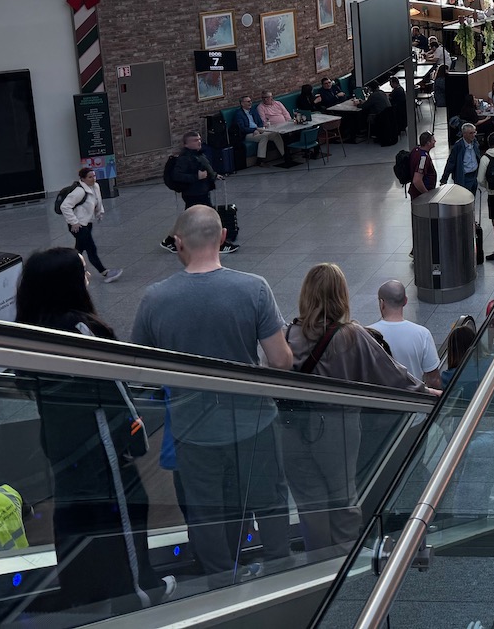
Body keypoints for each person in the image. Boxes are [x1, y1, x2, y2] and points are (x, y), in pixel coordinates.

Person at [131, 207, 293, 587]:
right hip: (254, 422)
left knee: (207, 513)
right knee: (268, 501)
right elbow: (281, 361)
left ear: (178, 243)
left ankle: (222, 586)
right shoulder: (254, 288)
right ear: (222, 237)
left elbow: (138, 373)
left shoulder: (155, 299)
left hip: (192, 430)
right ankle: (281, 577)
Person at [17, 247, 170, 604]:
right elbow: (115, 386)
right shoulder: (80, 328)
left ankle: (83, 593)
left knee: (76, 517)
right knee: (126, 511)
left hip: (60, 446)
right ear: (66, 284)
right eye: (81, 271)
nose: (87, 277)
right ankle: (140, 591)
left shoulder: (31, 330)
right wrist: (135, 436)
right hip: (101, 447)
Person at [280, 264, 427, 554]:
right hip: (337, 429)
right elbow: (394, 377)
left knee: (309, 504)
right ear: (341, 295)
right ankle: (344, 568)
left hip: (290, 430)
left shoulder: (288, 335)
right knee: (343, 498)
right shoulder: (351, 335)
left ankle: (316, 568)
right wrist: (428, 392)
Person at [369, 280, 442, 390]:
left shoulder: (367, 333)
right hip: (413, 399)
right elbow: (433, 379)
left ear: (382, 303)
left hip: (380, 400)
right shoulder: (422, 334)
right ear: (405, 301)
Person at [60, 166, 121, 282]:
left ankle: (68, 270)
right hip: (78, 226)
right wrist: (74, 222)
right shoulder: (79, 191)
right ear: (82, 179)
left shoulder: (95, 186)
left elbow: (98, 200)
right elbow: (65, 206)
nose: (93, 179)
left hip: (87, 223)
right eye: (90, 177)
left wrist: (99, 212)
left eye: (94, 176)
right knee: (91, 248)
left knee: (79, 249)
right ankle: (105, 272)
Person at [171, 130, 218, 208]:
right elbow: (177, 175)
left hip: (202, 192)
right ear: (186, 144)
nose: (199, 142)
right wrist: (197, 176)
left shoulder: (198, 154)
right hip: (194, 194)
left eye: (199, 139)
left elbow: (206, 167)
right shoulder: (185, 158)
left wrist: (214, 175)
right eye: (195, 140)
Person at [254, 91, 291, 162]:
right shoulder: (260, 107)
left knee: (294, 132)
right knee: (283, 135)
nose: (265, 99)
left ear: (271, 97)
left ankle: (290, 153)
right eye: (263, 98)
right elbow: (263, 121)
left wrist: (289, 122)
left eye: (267, 97)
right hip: (273, 128)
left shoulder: (278, 103)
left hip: (285, 125)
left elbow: (286, 114)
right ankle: (286, 156)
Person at [447, 122, 480, 193]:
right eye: (471, 133)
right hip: (464, 177)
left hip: (474, 175)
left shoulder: (475, 143)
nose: (473, 135)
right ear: (464, 134)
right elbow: (451, 163)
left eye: (474, 132)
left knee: (472, 197)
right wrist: (444, 179)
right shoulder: (458, 146)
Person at [409, 131, 437, 198]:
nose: (435, 141)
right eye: (433, 140)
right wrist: (427, 194)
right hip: (420, 196)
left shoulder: (416, 150)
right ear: (428, 143)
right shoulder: (423, 158)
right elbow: (417, 180)